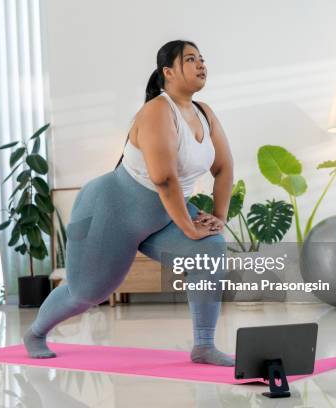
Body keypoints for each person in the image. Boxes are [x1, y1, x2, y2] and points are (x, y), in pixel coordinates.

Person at [24, 40, 234, 366]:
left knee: (211, 247)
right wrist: (189, 229)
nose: (201, 64)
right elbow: (164, 179)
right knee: (88, 294)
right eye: (190, 59)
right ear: (168, 71)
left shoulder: (205, 114)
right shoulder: (157, 111)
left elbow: (223, 167)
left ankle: (204, 345)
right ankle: (36, 332)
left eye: (202, 59)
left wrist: (219, 217)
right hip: (109, 210)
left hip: (163, 215)